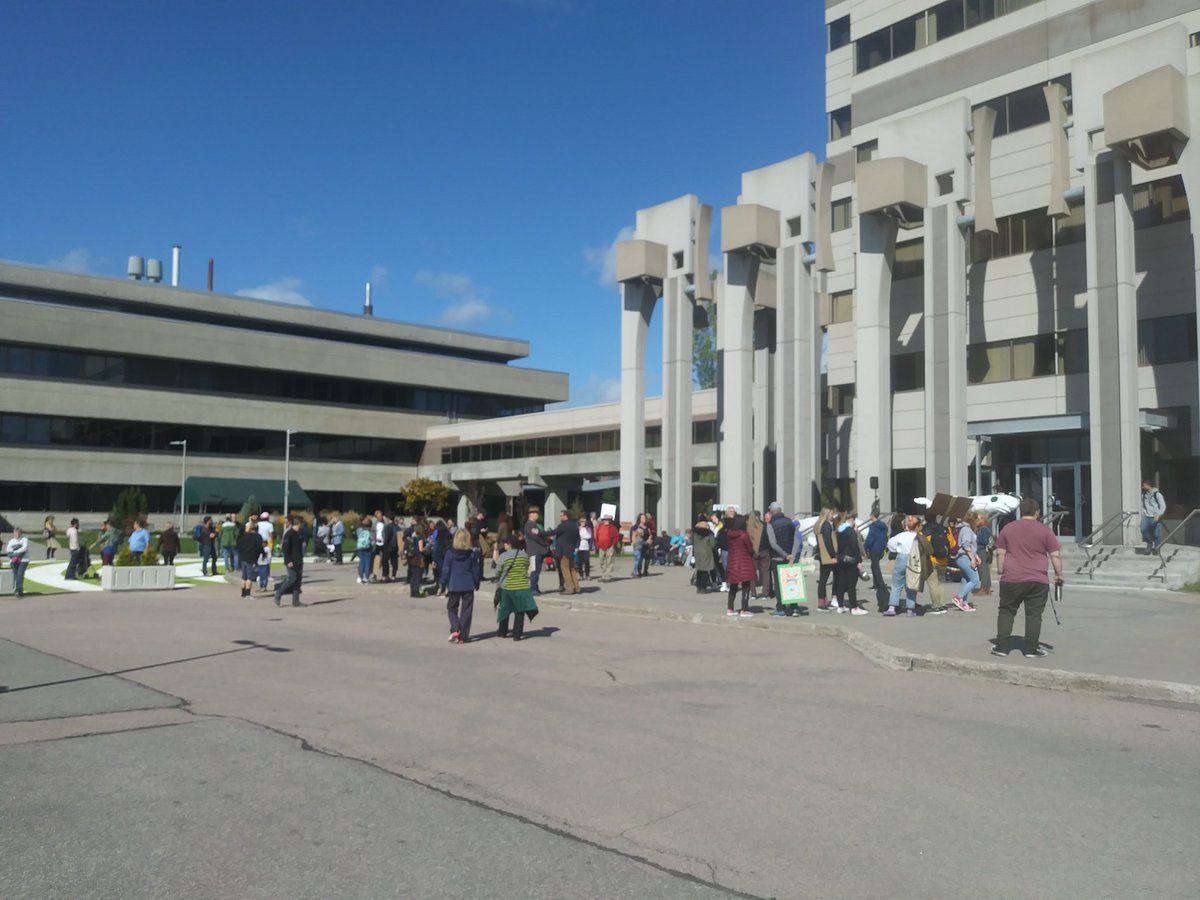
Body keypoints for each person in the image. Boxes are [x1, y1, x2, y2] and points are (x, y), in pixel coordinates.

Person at [992, 498, 1063, 659]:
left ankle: (1002, 646)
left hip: (1011, 577)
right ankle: (1031, 648)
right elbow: (1055, 555)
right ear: (1037, 512)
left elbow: (1000, 552)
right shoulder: (1045, 530)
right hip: (1037, 579)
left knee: (1006, 611)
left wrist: (1001, 571)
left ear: (1021, 511)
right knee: (1034, 615)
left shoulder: (1008, 528)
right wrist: (1059, 574)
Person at [495, 534, 539, 640]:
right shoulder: (524, 555)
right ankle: (517, 634)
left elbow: (498, 572)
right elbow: (527, 566)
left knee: (504, 609)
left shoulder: (504, 556)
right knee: (520, 611)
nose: (504, 545)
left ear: (509, 544)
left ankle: (502, 632)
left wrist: (498, 580)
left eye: (505, 543)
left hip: (508, 587)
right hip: (522, 587)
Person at [440, 529, 481, 643]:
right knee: (467, 610)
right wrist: (477, 582)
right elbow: (475, 570)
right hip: (468, 584)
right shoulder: (472, 554)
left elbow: (446, 570)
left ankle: (455, 628)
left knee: (451, 608)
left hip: (454, 584)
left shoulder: (450, 553)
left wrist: (443, 583)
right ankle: (463, 636)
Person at [763, 501, 802, 617]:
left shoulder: (770, 524)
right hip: (791, 558)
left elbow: (773, 543)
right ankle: (794, 608)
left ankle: (781, 608)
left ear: (772, 511)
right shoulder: (790, 522)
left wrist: (785, 555)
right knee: (792, 582)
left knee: (779, 584)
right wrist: (792, 555)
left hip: (778, 558)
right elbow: (797, 540)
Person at [884, 516, 920, 617]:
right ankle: (910, 610)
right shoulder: (918, 536)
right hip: (914, 559)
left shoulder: (901, 535)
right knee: (911, 585)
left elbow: (890, 544)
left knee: (896, 584)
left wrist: (895, 549)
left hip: (901, 558)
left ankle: (892, 608)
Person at [832, 512, 867, 615]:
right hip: (851, 559)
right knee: (852, 584)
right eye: (854, 520)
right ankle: (854, 607)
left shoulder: (839, 530)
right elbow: (854, 546)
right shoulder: (850, 531)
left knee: (841, 583)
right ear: (850, 520)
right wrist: (859, 561)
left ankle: (841, 606)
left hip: (841, 558)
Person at [722, 514, 756, 618]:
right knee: (746, 585)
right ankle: (744, 609)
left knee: (733, 585)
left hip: (733, 562)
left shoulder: (729, 534)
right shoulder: (744, 535)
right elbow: (750, 548)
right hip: (744, 562)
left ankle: (730, 608)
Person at [951, 512, 983, 612]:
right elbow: (965, 545)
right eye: (978, 519)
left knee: (966, 580)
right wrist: (973, 558)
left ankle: (964, 602)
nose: (980, 521)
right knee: (975, 580)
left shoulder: (966, 529)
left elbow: (970, 546)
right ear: (973, 520)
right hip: (964, 557)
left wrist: (976, 556)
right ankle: (958, 597)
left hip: (964, 556)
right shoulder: (967, 529)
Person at [274, 516, 306, 607]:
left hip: (299, 560)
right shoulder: (290, 534)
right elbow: (285, 548)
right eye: (302, 523)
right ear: (299, 523)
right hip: (291, 561)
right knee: (291, 578)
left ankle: (296, 601)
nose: (302, 525)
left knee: (298, 581)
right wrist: (288, 560)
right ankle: (278, 594)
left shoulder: (299, 534)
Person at [550, 510, 581, 594]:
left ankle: (570, 588)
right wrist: (576, 547)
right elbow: (578, 537)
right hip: (571, 550)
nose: (560, 517)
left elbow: (552, 532)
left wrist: (539, 532)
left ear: (565, 516)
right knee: (572, 569)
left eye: (561, 515)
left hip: (563, 551)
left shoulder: (563, 526)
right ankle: (577, 587)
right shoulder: (574, 525)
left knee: (565, 569)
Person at [863, 511, 889, 611]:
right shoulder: (883, 526)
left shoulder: (873, 526)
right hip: (881, 548)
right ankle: (877, 582)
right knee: (875, 565)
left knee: (874, 566)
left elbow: (870, 538)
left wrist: (866, 547)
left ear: (872, 516)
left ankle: (878, 582)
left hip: (874, 548)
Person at [814, 508, 838, 611]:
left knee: (822, 579)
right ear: (826, 514)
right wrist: (833, 556)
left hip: (821, 554)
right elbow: (828, 542)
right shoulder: (827, 525)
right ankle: (823, 603)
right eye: (831, 513)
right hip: (827, 555)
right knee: (825, 579)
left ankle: (822, 600)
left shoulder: (819, 525)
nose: (832, 515)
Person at [522, 508, 549, 594]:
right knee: (534, 570)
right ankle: (533, 588)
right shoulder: (529, 524)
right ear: (531, 514)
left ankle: (535, 587)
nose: (537, 516)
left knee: (537, 570)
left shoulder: (534, 524)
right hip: (534, 551)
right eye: (536, 514)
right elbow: (535, 537)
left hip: (537, 551)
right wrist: (545, 543)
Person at [237, 521, 264, 599]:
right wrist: (261, 553)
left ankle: (243, 592)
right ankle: (248, 593)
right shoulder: (257, 536)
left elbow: (239, 545)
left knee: (244, 576)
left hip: (243, 557)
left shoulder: (243, 536)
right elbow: (259, 547)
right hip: (251, 558)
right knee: (250, 576)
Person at [403, 518, 427, 598]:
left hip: (412, 558)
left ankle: (412, 592)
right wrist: (426, 548)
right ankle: (416, 592)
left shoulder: (412, 537)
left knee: (412, 576)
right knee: (417, 576)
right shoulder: (420, 538)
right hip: (418, 558)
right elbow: (420, 549)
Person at [690, 518, 715, 593]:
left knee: (699, 571)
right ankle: (703, 587)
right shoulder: (709, 533)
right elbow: (712, 544)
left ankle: (699, 587)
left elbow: (692, 542)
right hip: (707, 553)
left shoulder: (694, 533)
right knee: (705, 571)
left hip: (698, 553)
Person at [1141, 481, 1166, 552]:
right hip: (1146, 516)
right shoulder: (1144, 494)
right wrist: (1143, 512)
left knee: (1156, 534)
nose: (1143, 487)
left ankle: (1157, 548)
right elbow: (1142, 504)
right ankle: (1150, 543)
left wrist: (1158, 515)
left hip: (1155, 516)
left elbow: (1162, 506)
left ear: (1149, 485)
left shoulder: (1157, 494)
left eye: (1144, 486)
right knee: (1143, 530)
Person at [6, 527, 30, 597]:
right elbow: (8, 550)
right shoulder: (11, 541)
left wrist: (14, 552)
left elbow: (24, 548)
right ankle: (19, 589)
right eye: (15, 533)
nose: (17, 534)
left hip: (23, 560)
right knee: (16, 575)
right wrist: (16, 553)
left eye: (18, 532)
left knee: (20, 575)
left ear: (21, 533)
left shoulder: (24, 539)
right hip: (13, 561)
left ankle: (18, 590)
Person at [594, 513, 619, 582]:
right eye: (605, 519)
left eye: (608, 519)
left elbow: (616, 537)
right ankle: (604, 575)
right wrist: (597, 544)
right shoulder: (600, 527)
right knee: (601, 561)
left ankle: (608, 576)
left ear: (610, 520)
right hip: (601, 546)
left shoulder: (613, 527)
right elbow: (597, 536)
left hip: (610, 546)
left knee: (610, 561)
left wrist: (612, 544)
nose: (606, 521)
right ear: (603, 520)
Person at [976, 515, 994, 596]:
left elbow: (985, 541)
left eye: (979, 519)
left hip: (982, 551)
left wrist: (976, 541)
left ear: (983, 520)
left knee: (983, 570)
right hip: (984, 551)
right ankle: (988, 588)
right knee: (985, 570)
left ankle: (983, 588)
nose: (977, 520)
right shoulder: (984, 528)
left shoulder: (983, 529)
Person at [629, 513, 649, 578]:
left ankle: (645, 571)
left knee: (646, 559)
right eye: (643, 518)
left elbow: (650, 534)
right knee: (638, 560)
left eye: (645, 518)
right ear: (639, 519)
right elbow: (633, 536)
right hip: (639, 545)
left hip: (645, 545)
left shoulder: (647, 527)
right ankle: (637, 572)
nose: (644, 519)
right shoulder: (636, 526)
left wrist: (649, 539)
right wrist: (634, 543)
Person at [355, 517, 373, 584]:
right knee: (367, 562)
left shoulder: (359, 530)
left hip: (360, 547)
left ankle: (360, 577)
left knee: (361, 562)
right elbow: (372, 540)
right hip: (368, 547)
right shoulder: (370, 531)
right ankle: (366, 577)